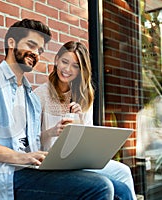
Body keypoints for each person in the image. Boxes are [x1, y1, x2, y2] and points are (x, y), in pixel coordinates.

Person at [0, 19, 133, 200]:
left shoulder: (30, 98)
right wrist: (19, 157)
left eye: (40, 50)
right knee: (100, 188)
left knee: (121, 189)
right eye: (31, 44)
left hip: (28, 171)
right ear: (11, 42)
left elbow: (33, 146)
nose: (36, 53)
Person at [34, 41, 136, 199]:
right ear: (56, 60)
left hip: (77, 160)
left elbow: (88, 139)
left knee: (123, 174)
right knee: (108, 186)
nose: (67, 69)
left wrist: (79, 124)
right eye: (64, 62)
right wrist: (52, 131)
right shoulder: (40, 95)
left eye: (75, 66)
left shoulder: (84, 95)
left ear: (81, 70)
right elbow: (30, 140)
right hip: (52, 162)